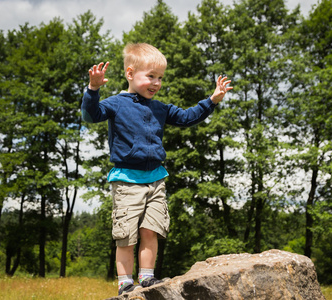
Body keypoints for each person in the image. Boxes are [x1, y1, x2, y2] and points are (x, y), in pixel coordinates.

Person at [81, 43, 232, 296]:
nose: (156, 83)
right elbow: (90, 115)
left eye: (160, 78)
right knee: (126, 235)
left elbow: (186, 117)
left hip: (156, 179)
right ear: (130, 74)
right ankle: (125, 283)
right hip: (127, 180)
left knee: (151, 229)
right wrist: (93, 89)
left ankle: (148, 278)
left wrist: (211, 101)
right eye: (150, 76)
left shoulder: (160, 107)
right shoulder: (116, 104)